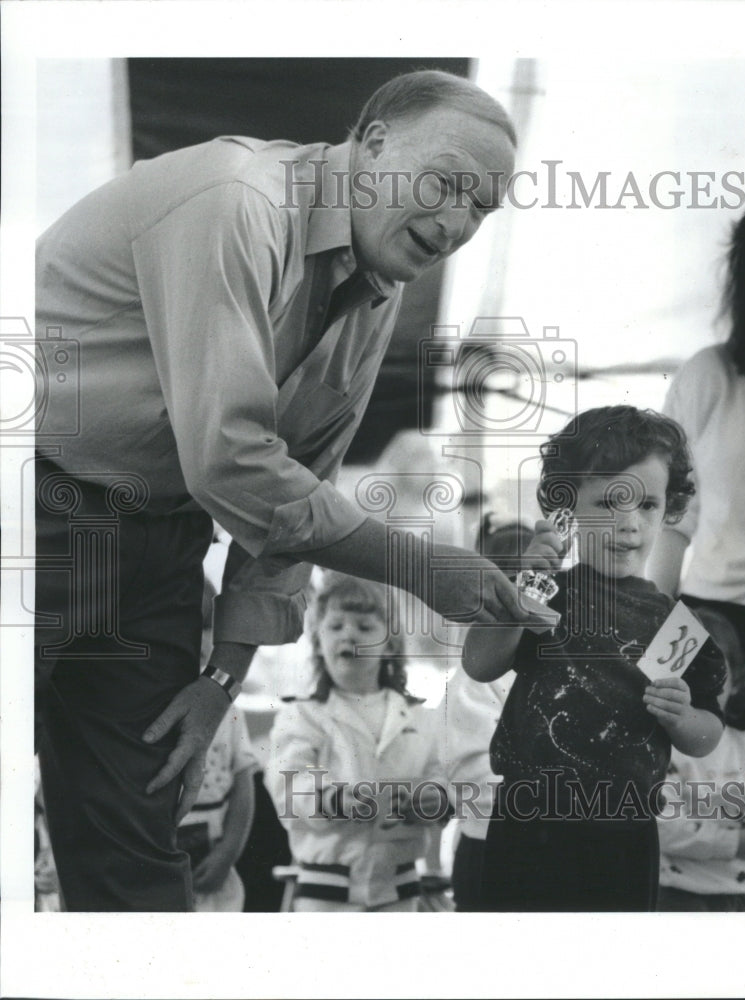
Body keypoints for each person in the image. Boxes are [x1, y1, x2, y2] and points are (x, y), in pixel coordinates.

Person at [34, 70, 541, 911]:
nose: (455, 222)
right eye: (445, 182)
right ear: (372, 140)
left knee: (138, 829)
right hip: (36, 504)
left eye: (481, 208)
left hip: (160, 539)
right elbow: (230, 458)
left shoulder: (378, 287)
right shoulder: (238, 201)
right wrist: (420, 568)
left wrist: (224, 678)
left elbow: (295, 480)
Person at [463, 406, 728, 911]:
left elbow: (707, 733)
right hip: (528, 820)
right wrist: (519, 596)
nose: (629, 525)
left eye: (647, 505)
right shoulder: (545, 593)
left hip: (625, 831)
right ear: (567, 507)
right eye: (609, 503)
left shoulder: (677, 626)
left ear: (669, 508)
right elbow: (480, 664)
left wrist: (684, 717)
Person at [648, 188, 745, 739]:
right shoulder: (709, 375)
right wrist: (654, 630)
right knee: (694, 794)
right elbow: (673, 523)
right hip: (711, 623)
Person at [267, 572, 448, 912]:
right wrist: (337, 800)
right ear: (317, 640)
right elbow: (289, 787)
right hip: (326, 895)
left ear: (390, 643)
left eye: (365, 628)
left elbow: (441, 775)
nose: (348, 634)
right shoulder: (302, 716)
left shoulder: (421, 718)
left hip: (399, 893)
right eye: (335, 626)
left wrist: (433, 800)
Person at [442, 516, 535, 911]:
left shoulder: (561, 659)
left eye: (534, 581)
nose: (523, 594)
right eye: (509, 579)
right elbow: (470, 773)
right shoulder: (471, 677)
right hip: (492, 848)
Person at [657, 606, 745, 911]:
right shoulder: (662, 749)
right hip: (681, 895)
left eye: (715, 668)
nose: (700, 682)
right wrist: (730, 843)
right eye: (687, 670)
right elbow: (660, 825)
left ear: (738, 679)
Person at [176, 580, 258, 912]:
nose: (196, 639)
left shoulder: (226, 708)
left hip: (212, 859)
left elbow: (243, 784)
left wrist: (228, 852)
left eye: (207, 627)